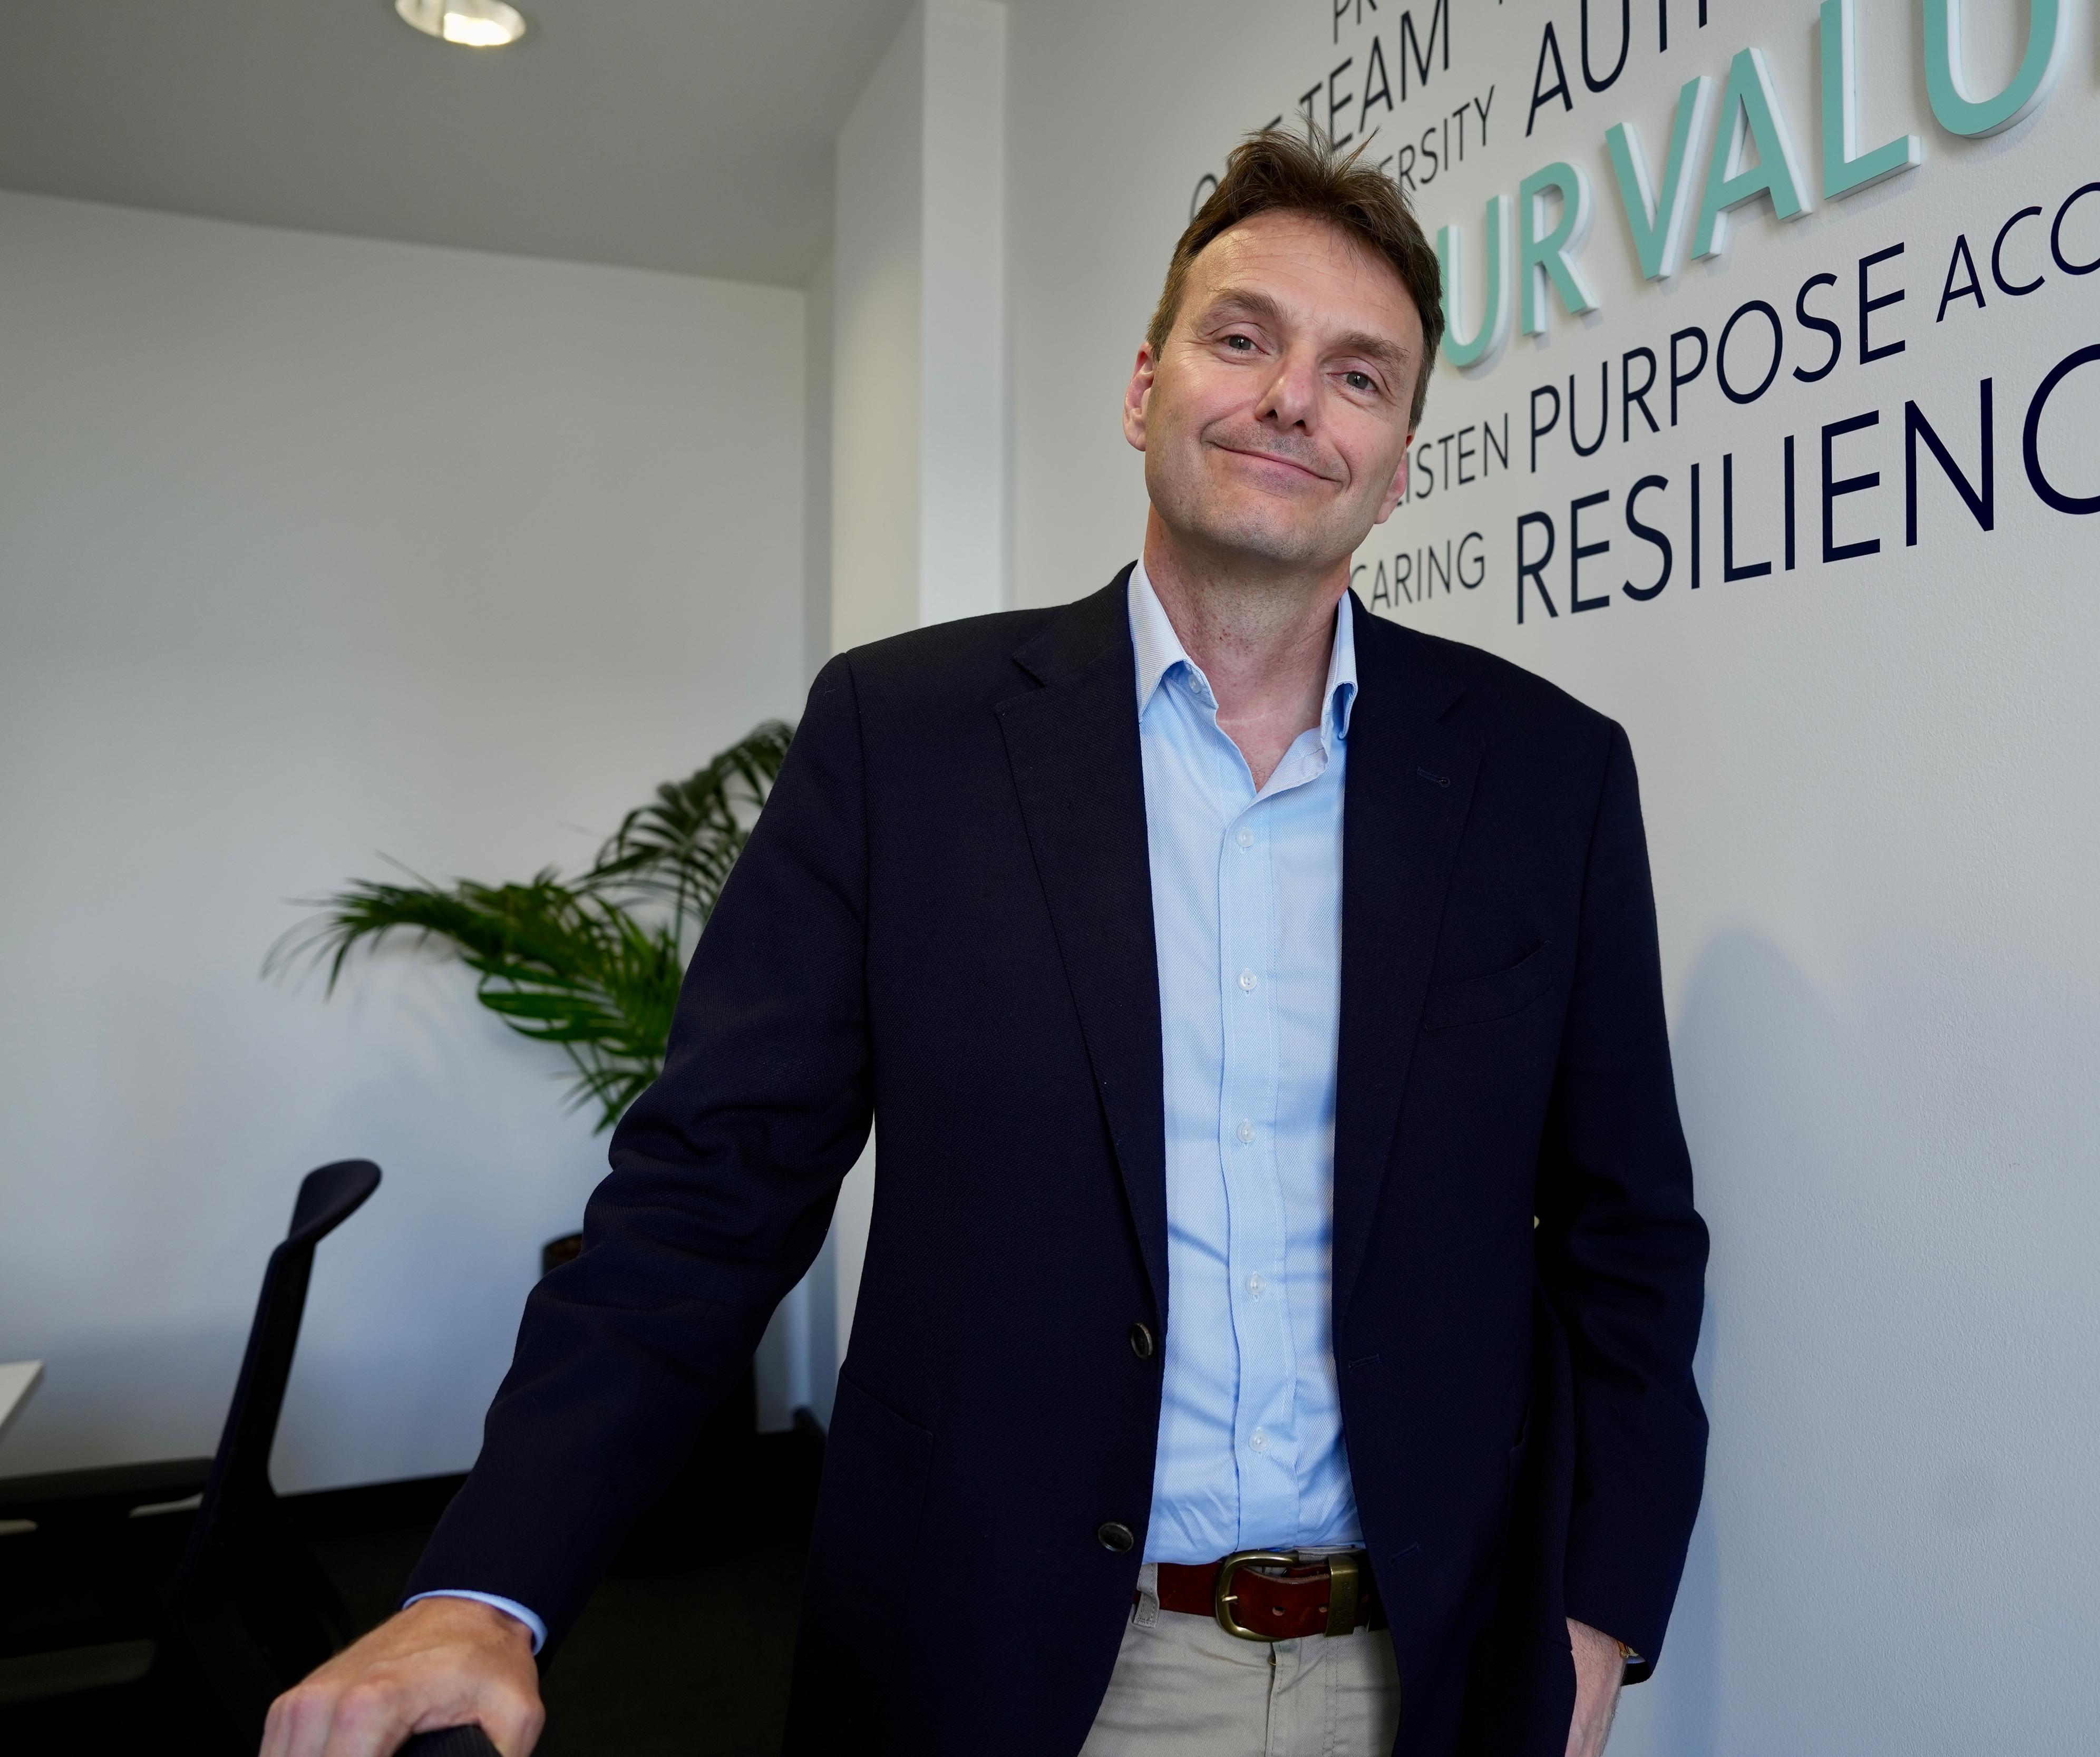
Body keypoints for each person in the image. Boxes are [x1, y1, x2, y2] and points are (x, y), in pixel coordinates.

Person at [262, 126, 1707, 1757]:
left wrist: (1598, 1613)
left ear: (1400, 455)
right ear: (1143, 386)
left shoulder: (1546, 775)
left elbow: (1627, 1239)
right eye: (1245, 339)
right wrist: (484, 1589)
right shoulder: (906, 737)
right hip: (1020, 1673)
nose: (1297, 397)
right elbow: (710, 1193)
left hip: (1431, 1671)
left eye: (1361, 375)